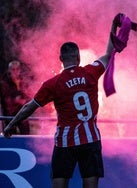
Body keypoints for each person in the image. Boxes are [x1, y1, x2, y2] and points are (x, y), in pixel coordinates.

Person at [4, 18, 117, 188]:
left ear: (60, 59)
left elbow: (29, 107)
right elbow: (109, 54)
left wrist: (11, 124)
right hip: (90, 140)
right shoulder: (90, 72)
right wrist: (114, 27)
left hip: (66, 142)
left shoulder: (53, 83)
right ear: (78, 57)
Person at [0, 60, 31, 134]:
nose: (15, 71)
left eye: (17, 69)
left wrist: (26, 101)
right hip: (9, 115)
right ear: (9, 70)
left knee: (25, 136)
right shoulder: (4, 82)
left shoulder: (23, 81)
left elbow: (28, 94)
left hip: (22, 114)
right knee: (10, 136)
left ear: (20, 70)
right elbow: (4, 98)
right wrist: (15, 100)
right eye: (13, 69)